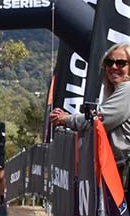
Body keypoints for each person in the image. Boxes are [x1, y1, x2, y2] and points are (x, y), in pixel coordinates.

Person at [50, 43, 130, 183]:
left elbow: (99, 121)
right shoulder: (117, 92)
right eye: (109, 62)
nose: (113, 67)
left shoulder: (127, 89)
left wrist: (66, 118)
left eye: (121, 63)